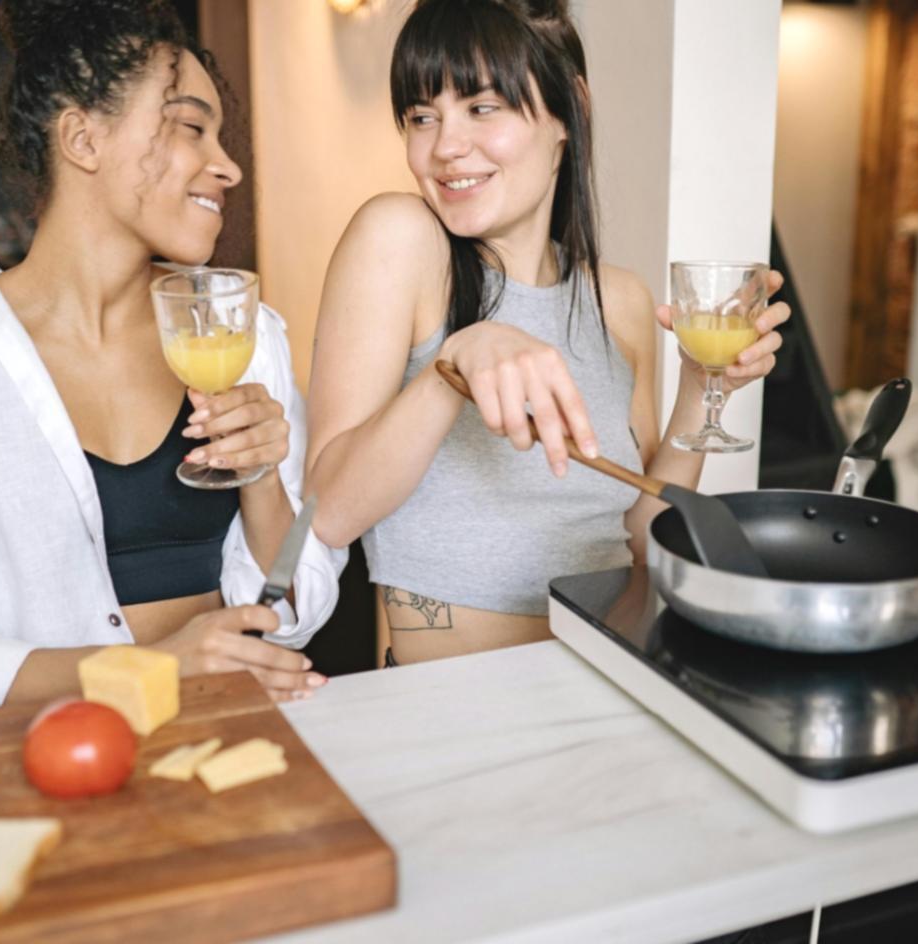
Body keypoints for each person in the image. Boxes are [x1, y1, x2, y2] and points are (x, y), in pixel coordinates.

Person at [0, 0, 343, 718]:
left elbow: (293, 611)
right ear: (82, 139)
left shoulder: (242, 331)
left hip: (226, 735)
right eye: (191, 127)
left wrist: (260, 477)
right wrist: (153, 668)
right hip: (52, 752)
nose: (227, 166)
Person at [306, 0, 789, 667]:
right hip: (458, 700)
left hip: (616, 676)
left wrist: (700, 388)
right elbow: (328, 511)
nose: (444, 146)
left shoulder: (619, 301)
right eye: (421, 116)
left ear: (569, 111)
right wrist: (455, 364)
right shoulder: (400, 238)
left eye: (481, 107)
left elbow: (641, 535)